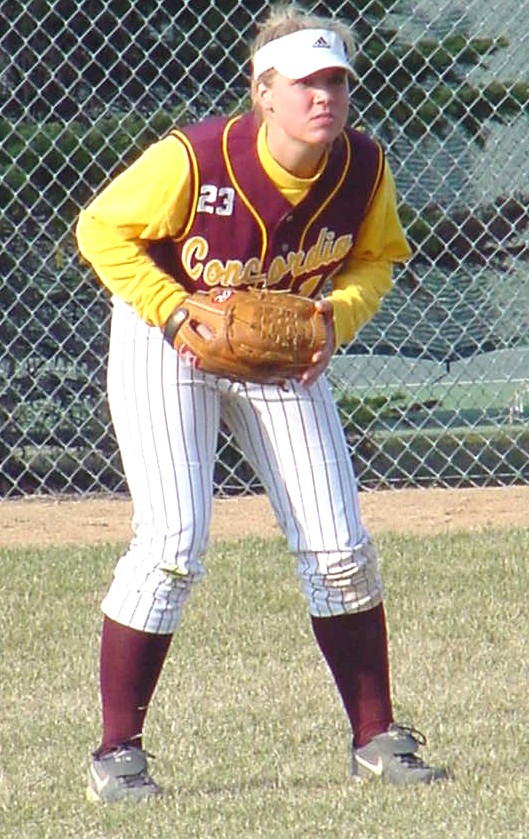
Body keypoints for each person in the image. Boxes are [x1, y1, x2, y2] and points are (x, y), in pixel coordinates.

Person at [76, 2, 448, 803]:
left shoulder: (363, 167)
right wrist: (169, 308)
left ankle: (375, 737)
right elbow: (100, 229)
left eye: (336, 82)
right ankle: (116, 751)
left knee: (340, 546)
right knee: (172, 541)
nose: (324, 97)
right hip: (167, 337)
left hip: (281, 347)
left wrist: (333, 318)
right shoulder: (195, 157)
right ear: (263, 91)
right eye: (306, 82)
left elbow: (376, 260)